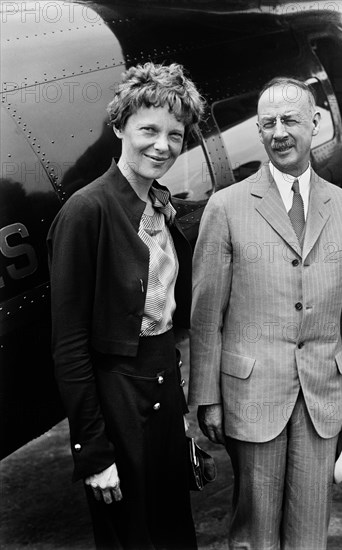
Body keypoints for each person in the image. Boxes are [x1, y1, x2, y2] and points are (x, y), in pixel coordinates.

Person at [189, 77, 342, 549]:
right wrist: (205, 395)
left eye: (290, 120)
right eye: (267, 123)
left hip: (321, 395)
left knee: (311, 529)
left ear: (314, 123)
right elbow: (206, 314)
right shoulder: (225, 207)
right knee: (254, 532)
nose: (279, 132)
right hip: (252, 394)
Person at [47, 62, 205, 550]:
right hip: (116, 398)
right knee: (131, 538)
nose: (162, 145)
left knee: (174, 531)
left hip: (160, 390)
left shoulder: (159, 203)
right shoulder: (86, 211)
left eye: (175, 135)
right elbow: (70, 346)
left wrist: (179, 412)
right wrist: (92, 451)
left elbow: (167, 322)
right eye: (148, 130)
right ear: (119, 127)